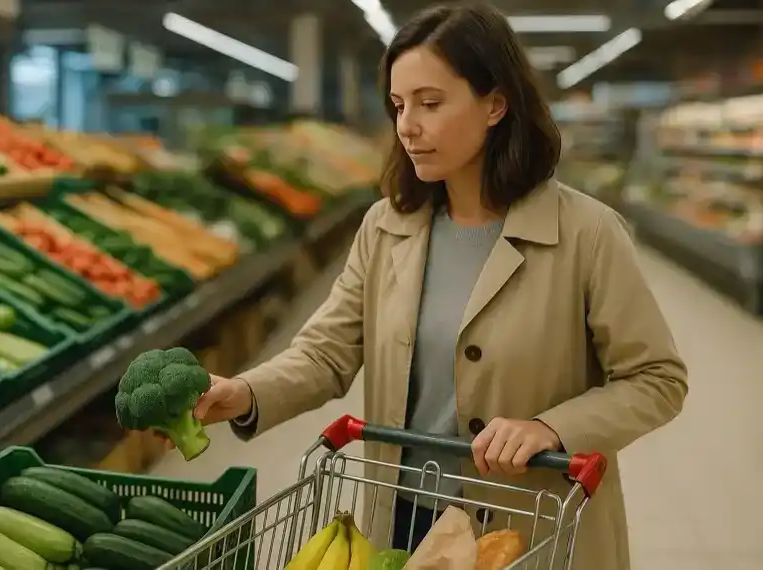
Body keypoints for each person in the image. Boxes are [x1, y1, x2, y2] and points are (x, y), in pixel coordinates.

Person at [189, 3, 688, 569]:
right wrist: (246, 392)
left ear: (496, 104)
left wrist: (553, 427)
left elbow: (657, 379)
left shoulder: (587, 233)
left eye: (430, 103)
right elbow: (326, 352)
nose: (407, 126)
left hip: (526, 528)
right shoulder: (387, 227)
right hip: (402, 516)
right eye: (399, 106)